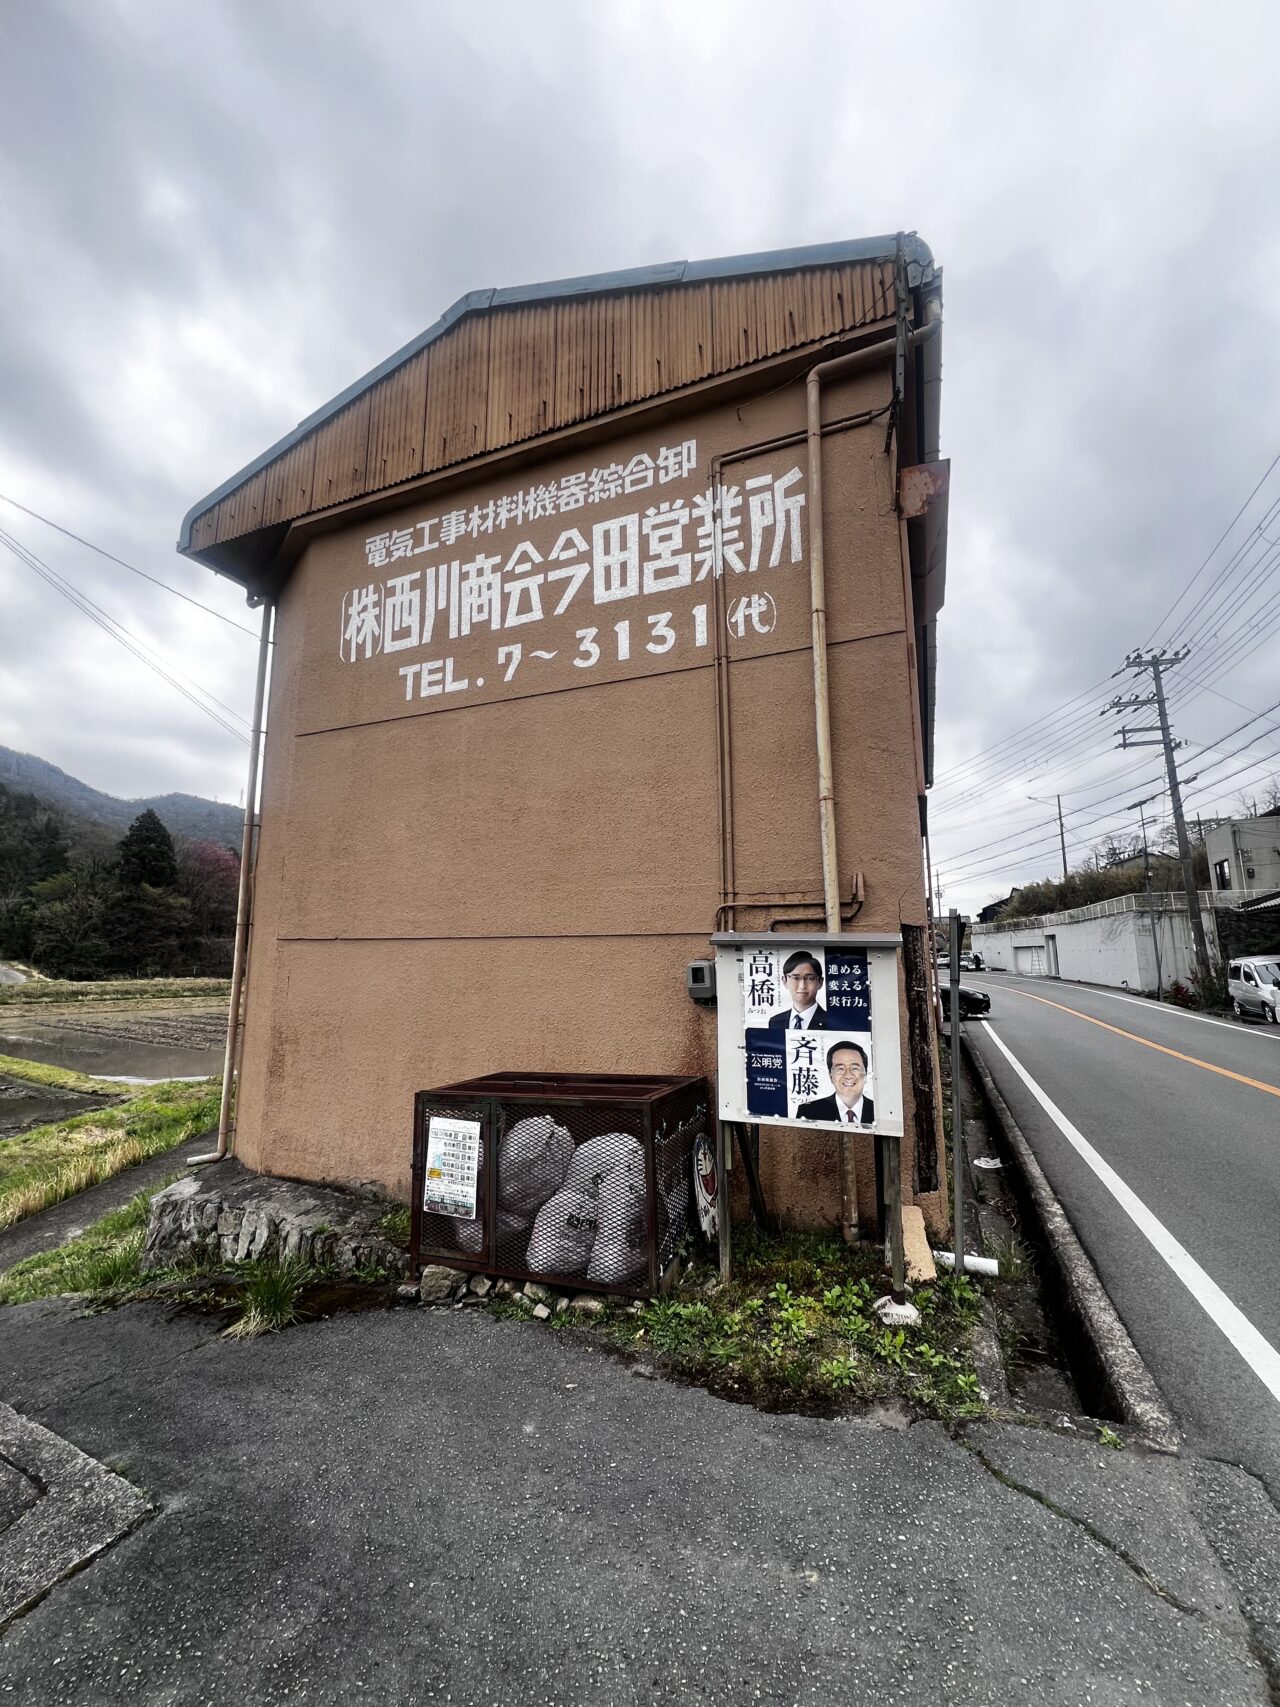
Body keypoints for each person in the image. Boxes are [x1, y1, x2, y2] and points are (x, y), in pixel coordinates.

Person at [797, 1041, 874, 1124]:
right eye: (840, 1069)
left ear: (866, 1074)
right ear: (830, 1075)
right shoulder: (808, 1112)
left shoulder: (880, 1112)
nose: (848, 1075)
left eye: (855, 1068)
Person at [767, 950, 826, 1030]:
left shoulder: (832, 1021)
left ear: (820, 982)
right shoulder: (775, 1022)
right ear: (785, 981)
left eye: (810, 978)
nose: (802, 986)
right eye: (796, 978)